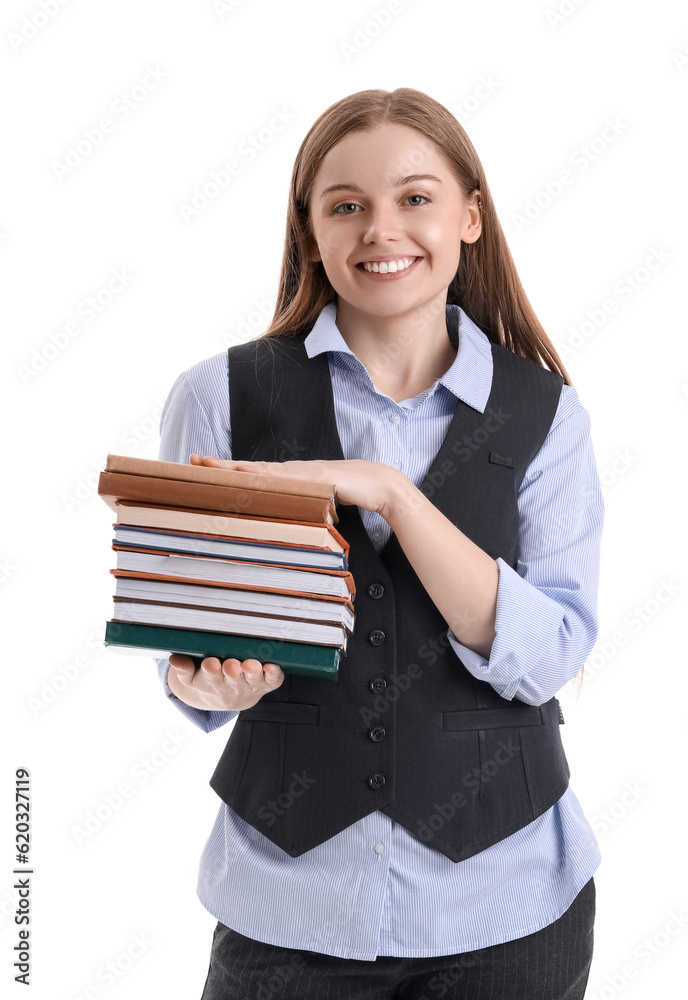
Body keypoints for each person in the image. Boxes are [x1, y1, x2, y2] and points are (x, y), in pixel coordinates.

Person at [155, 87, 604, 999]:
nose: (381, 230)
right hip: (287, 911)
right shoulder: (219, 398)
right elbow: (189, 641)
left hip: (506, 908)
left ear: (470, 215)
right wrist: (201, 675)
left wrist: (393, 495)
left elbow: (550, 654)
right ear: (310, 227)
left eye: (416, 197)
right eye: (346, 204)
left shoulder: (546, 415)